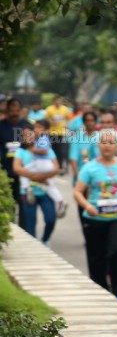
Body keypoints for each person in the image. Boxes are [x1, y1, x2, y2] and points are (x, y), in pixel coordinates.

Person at [73, 128, 117, 307]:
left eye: (112, 142)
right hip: (95, 219)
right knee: (96, 257)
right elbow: (78, 192)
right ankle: (101, 291)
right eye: (104, 142)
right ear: (98, 145)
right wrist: (88, 205)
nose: (107, 146)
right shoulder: (89, 167)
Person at [14, 126, 61, 243]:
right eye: (24, 135)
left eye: (29, 134)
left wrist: (43, 177)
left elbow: (56, 168)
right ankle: (34, 246)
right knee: (30, 223)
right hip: (28, 193)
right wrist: (35, 177)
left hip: (45, 190)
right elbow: (17, 168)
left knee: (51, 219)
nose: (27, 137)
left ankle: (44, 240)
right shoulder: (21, 151)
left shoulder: (46, 149)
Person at [1, 98, 33, 230]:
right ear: (7, 110)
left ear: (20, 110)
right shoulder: (1, 126)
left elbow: (33, 146)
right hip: (6, 171)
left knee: (24, 205)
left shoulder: (27, 125)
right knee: (9, 205)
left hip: (23, 172)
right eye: (12, 109)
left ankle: (25, 230)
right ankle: (10, 230)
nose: (14, 112)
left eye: (17, 109)